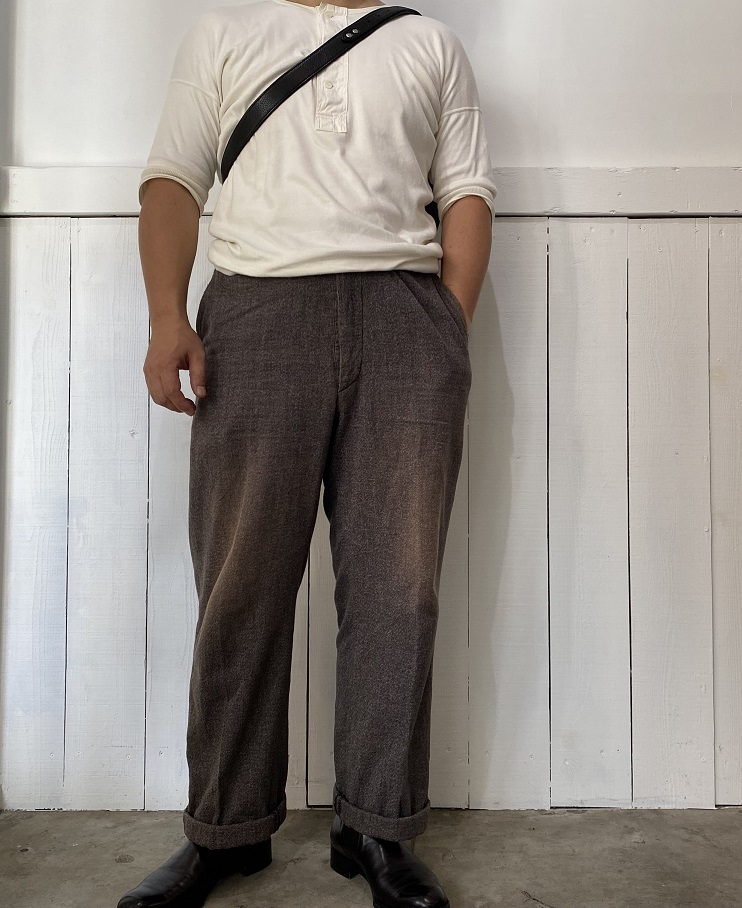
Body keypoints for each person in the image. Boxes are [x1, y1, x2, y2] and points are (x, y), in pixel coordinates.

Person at [119, 1, 495, 906]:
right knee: (240, 582)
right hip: (256, 311)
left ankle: (377, 827)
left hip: (403, 317)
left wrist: (444, 331)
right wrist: (167, 315)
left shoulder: (430, 43)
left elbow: (466, 193)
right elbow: (173, 180)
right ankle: (226, 828)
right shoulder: (225, 33)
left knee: (399, 588)